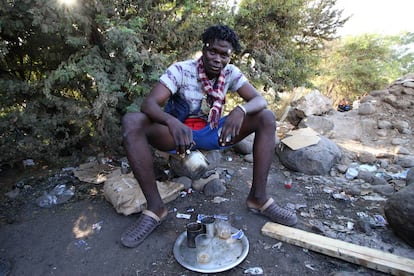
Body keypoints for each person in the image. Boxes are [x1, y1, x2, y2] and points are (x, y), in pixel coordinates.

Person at [120, 25, 297, 248]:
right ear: (204, 49)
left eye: (224, 54)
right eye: (213, 51)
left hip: (213, 131)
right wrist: (171, 121)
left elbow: (259, 100)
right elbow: (150, 103)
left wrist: (240, 110)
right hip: (179, 135)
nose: (217, 59)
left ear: (230, 56)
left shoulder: (231, 73)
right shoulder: (181, 70)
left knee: (266, 117)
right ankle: (156, 208)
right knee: (132, 121)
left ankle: (258, 198)